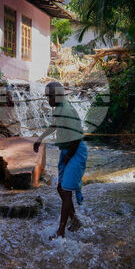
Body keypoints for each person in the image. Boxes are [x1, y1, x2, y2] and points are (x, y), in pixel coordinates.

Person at [34, 81, 87, 238]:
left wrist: (69, 157)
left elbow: (77, 138)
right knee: (60, 188)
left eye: (50, 96)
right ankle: (75, 221)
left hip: (75, 151)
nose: (48, 100)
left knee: (65, 190)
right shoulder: (60, 108)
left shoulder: (67, 111)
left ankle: (61, 231)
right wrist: (40, 138)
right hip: (68, 150)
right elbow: (54, 125)